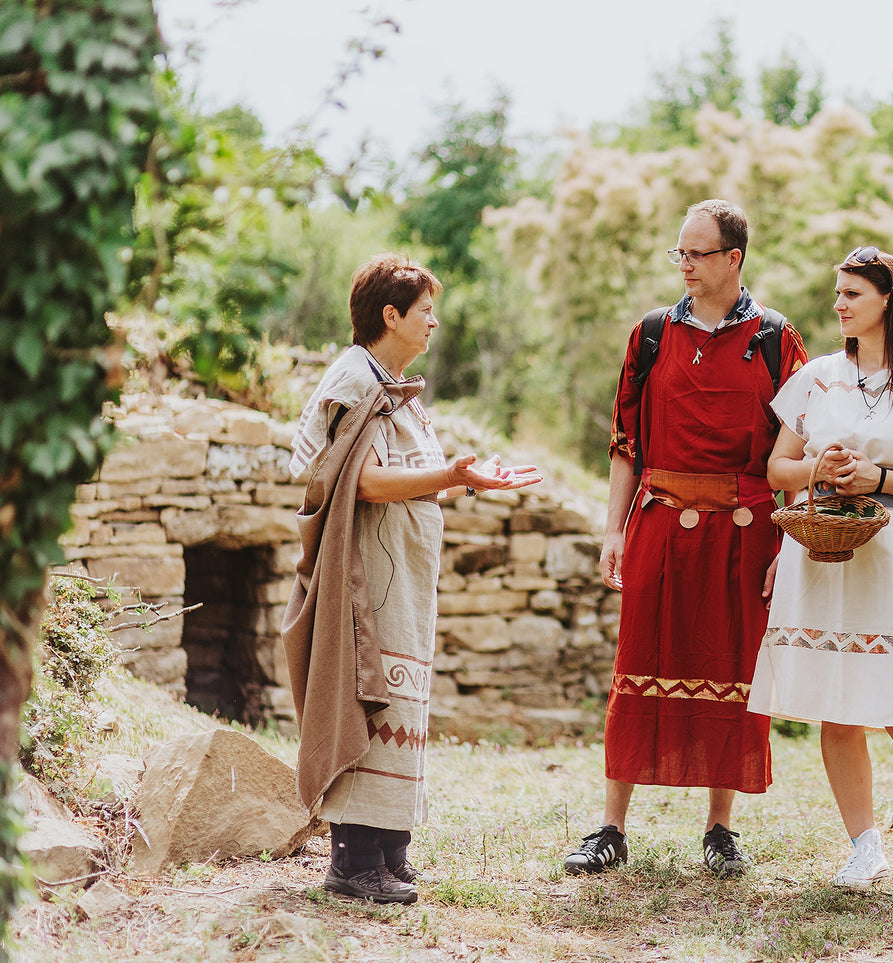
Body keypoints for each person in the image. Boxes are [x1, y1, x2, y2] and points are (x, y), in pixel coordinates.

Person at [283, 252, 541, 904]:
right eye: (425, 310)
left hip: (401, 582)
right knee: (369, 697)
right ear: (390, 314)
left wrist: (464, 480)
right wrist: (453, 475)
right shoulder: (354, 381)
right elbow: (362, 481)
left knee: (397, 700)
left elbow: (410, 481)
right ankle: (353, 861)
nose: (434, 322)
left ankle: (389, 851)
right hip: (366, 578)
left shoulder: (391, 386)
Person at [562, 199, 807, 878]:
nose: (685, 265)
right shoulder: (648, 335)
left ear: (733, 259)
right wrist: (613, 529)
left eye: (697, 252)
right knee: (637, 664)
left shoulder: (775, 338)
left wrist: (790, 542)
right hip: (660, 524)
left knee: (729, 671)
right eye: (680, 252)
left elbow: (799, 446)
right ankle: (611, 826)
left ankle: (720, 828)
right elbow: (624, 445)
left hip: (745, 530)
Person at [749, 246, 893, 893]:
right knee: (836, 710)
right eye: (837, 292)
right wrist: (817, 470)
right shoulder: (817, 378)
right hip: (822, 555)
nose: (838, 304)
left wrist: (878, 476)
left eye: (851, 292)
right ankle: (864, 847)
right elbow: (777, 470)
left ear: (887, 299)